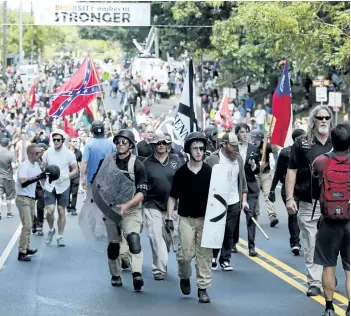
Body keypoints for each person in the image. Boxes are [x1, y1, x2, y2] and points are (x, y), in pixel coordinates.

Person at [286, 105, 333, 297]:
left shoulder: (339, 140)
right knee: (312, 241)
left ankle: (327, 276)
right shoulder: (302, 142)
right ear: (313, 120)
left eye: (326, 117)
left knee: (331, 242)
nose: (323, 120)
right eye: (319, 117)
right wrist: (289, 197)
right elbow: (292, 171)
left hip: (333, 202)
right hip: (308, 201)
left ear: (330, 120)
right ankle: (314, 281)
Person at [167, 132, 212, 303]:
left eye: (201, 148)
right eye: (195, 148)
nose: (199, 151)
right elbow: (173, 197)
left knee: (204, 255)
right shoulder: (180, 173)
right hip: (185, 219)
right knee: (185, 255)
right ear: (188, 150)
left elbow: (218, 198)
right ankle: (184, 277)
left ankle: (203, 288)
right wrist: (169, 217)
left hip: (205, 219)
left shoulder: (210, 172)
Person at [312, 124, 350, 316]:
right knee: (350, 268)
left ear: (332, 141)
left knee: (329, 265)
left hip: (329, 221)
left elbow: (313, 191)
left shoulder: (321, 161)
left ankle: (329, 307)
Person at [103, 129, 148, 291]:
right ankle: (115, 275)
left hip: (132, 208)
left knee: (133, 239)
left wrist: (127, 205)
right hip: (112, 209)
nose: (120, 144)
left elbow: (142, 192)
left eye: (124, 142)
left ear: (130, 145)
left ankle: (137, 275)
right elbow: (98, 184)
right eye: (118, 141)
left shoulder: (138, 165)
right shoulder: (108, 162)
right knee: (114, 246)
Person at [205, 132, 249, 270]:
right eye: (232, 145)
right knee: (216, 230)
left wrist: (244, 200)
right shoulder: (212, 159)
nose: (235, 148)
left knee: (229, 232)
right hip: (216, 201)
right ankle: (213, 255)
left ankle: (225, 259)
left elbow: (242, 180)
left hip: (233, 201)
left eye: (237, 145)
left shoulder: (239, 159)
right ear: (223, 144)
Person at [143, 133, 183, 280]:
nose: (161, 145)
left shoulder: (176, 160)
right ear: (154, 145)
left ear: (168, 145)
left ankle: (162, 261)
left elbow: (183, 181)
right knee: (155, 236)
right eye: (158, 143)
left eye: (164, 143)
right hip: (152, 204)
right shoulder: (146, 163)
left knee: (167, 237)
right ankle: (159, 270)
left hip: (172, 207)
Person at [269, 129, 306, 255]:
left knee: (303, 216)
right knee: (293, 215)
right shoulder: (285, 153)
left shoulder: (307, 151)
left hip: (303, 188)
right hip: (288, 189)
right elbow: (278, 173)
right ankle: (295, 242)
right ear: (296, 139)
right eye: (301, 138)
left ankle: (307, 241)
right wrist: (272, 190)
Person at [42, 129, 78, 247]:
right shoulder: (47, 153)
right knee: (50, 210)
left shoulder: (69, 153)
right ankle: (51, 229)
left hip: (64, 185)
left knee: (61, 211)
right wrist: (43, 179)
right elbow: (43, 168)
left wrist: (66, 176)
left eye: (58, 139)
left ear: (62, 140)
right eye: (54, 139)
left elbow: (75, 170)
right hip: (50, 185)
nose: (56, 141)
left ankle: (60, 236)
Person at [233, 123, 261, 256]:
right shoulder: (232, 148)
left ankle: (251, 246)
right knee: (235, 215)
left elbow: (258, 170)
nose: (245, 134)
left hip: (251, 186)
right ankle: (233, 243)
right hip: (235, 186)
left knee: (251, 215)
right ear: (237, 134)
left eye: (247, 132)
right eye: (242, 132)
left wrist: (254, 165)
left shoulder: (254, 148)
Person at [15, 144, 45, 261]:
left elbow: (40, 177)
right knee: (27, 225)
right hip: (23, 199)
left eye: (39, 153)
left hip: (31, 198)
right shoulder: (24, 166)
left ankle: (26, 248)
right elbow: (23, 182)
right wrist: (38, 177)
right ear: (30, 154)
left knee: (29, 224)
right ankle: (22, 252)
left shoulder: (36, 164)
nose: (39, 155)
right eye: (37, 153)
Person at [250, 129, 279, 227]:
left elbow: (275, 150)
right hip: (255, 175)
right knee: (254, 196)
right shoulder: (250, 147)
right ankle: (254, 216)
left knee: (268, 195)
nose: (252, 139)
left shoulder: (266, 145)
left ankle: (272, 216)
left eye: (253, 137)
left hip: (266, 174)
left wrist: (272, 140)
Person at [32, 142, 49, 236]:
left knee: (40, 207)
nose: (40, 152)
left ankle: (40, 226)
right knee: (29, 207)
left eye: (43, 150)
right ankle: (34, 222)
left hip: (43, 187)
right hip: (31, 186)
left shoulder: (48, 161)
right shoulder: (32, 160)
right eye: (39, 150)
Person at [0, 138, 18, 219]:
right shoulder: (11, 154)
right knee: (9, 196)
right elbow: (14, 166)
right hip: (8, 178)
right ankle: (9, 212)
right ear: (8, 145)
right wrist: (17, 163)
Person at [67, 137, 82, 216]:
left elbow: (80, 163)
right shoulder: (65, 152)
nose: (75, 142)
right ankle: (67, 205)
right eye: (73, 141)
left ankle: (73, 208)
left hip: (76, 175)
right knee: (67, 193)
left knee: (74, 193)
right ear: (70, 142)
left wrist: (82, 175)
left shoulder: (78, 152)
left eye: (76, 141)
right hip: (67, 175)